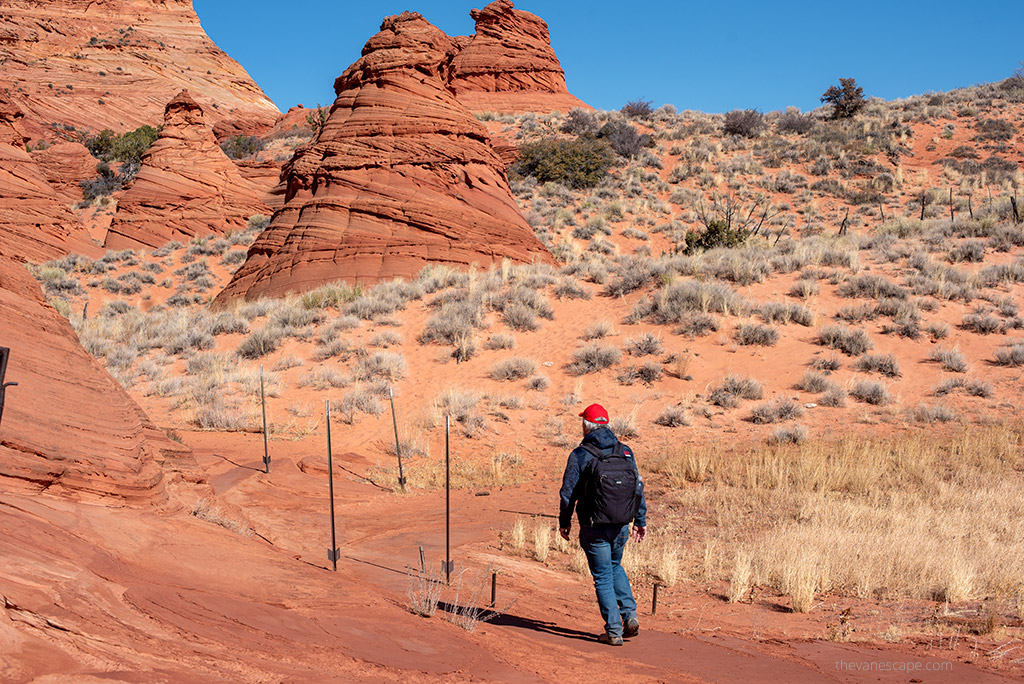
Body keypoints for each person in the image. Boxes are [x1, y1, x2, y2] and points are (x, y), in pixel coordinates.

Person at [559, 403, 647, 646]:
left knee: (602, 576)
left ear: (587, 425)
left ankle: (614, 630)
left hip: (593, 526)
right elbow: (637, 489)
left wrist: (564, 522)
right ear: (606, 424)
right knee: (615, 566)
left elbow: (568, 494)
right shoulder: (625, 451)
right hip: (621, 525)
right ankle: (629, 615)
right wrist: (640, 520)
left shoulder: (580, 454)